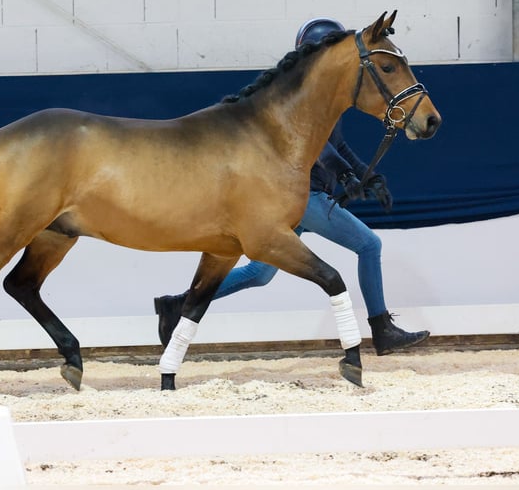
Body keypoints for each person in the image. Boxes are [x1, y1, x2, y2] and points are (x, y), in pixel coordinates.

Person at [154, 17, 430, 356]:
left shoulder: (326, 101)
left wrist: (366, 176)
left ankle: (177, 303)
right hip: (305, 197)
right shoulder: (299, 102)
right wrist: (345, 175)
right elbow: (318, 151)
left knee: (259, 273)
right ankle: (382, 328)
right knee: (369, 245)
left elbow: (337, 146)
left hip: (305, 197)